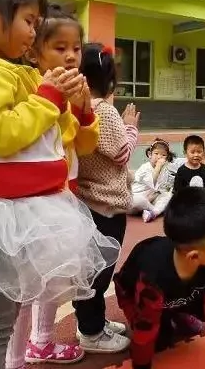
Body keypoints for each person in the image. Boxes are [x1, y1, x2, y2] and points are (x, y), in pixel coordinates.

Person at [0, 0, 121, 369]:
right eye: (29, 22)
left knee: (10, 314)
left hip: (32, 210)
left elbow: (77, 142)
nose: (34, 33)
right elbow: (2, 135)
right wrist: (51, 95)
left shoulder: (21, 73)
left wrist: (82, 108)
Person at [3, 6, 101, 366]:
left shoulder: (78, 85)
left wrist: (85, 109)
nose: (72, 55)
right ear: (35, 51)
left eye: (76, 47)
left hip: (65, 193)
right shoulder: (30, 84)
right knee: (24, 286)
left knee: (56, 275)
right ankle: (14, 359)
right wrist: (63, 102)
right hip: (33, 200)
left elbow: (87, 146)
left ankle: (42, 340)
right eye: (60, 48)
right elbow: (42, 136)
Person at [114, 187, 205, 369]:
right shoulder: (153, 276)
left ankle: (176, 312)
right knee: (158, 340)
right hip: (134, 296)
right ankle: (170, 314)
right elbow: (144, 328)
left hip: (178, 294)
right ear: (194, 256)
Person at [72, 42, 139, 355]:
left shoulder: (80, 109)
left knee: (92, 268)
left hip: (87, 200)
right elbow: (121, 152)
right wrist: (131, 128)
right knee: (98, 273)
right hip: (105, 204)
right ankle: (91, 331)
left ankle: (93, 321)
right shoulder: (104, 110)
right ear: (111, 80)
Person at [132, 140, 175, 223]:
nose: (159, 157)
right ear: (149, 154)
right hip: (137, 199)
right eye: (156, 153)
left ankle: (152, 213)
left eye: (163, 155)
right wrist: (158, 166)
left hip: (151, 198)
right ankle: (154, 210)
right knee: (139, 200)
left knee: (168, 195)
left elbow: (163, 186)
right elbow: (152, 182)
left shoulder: (165, 168)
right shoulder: (144, 168)